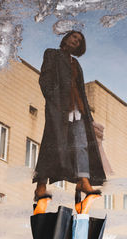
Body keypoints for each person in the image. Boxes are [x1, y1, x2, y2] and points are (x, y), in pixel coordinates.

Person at [32, 31, 106, 215]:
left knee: (82, 146)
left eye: (79, 40)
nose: (76, 40)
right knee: (53, 145)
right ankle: (40, 187)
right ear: (66, 38)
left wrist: (89, 117)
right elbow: (45, 79)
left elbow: (81, 90)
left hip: (78, 110)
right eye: (74, 37)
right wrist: (53, 99)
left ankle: (84, 182)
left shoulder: (76, 64)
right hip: (59, 110)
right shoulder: (52, 54)